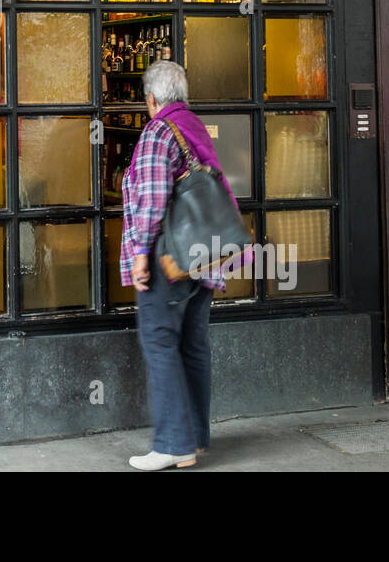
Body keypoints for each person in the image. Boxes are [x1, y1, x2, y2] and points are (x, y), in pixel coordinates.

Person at [120, 60, 241, 471]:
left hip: (168, 258)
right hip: (201, 256)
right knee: (192, 344)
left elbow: (153, 199)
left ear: (151, 98)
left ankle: (173, 444)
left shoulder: (158, 131)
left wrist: (139, 255)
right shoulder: (193, 125)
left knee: (159, 342)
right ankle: (194, 437)